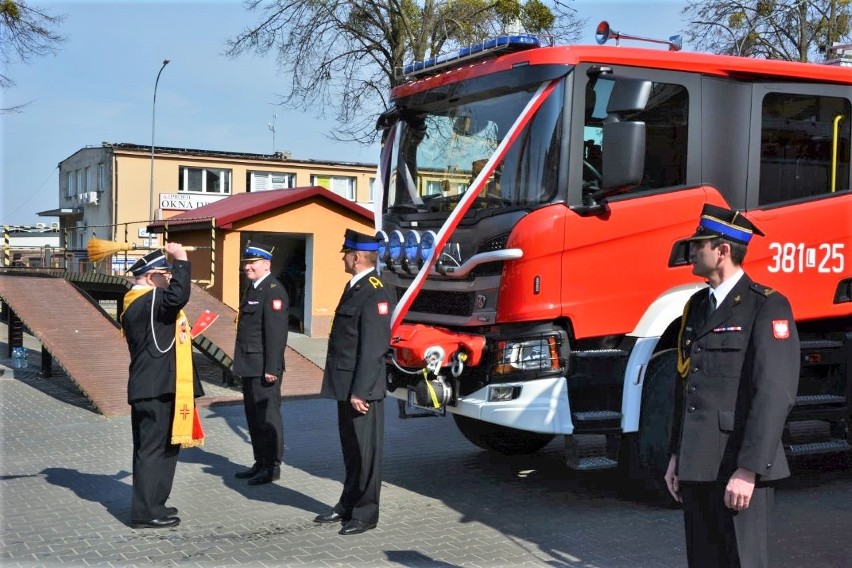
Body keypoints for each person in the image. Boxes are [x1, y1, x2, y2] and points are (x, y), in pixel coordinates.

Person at [665, 204, 800, 567]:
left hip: (737, 470)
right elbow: (687, 386)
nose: (692, 251)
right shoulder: (696, 307)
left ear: (722, 251)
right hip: (698, 467)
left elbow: (774, 393)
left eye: (699, 245)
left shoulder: (766, 307)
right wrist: (677, 456)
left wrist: (749, 470)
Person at [314, 229, 393, 536]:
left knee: (366, 454)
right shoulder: (355, 287)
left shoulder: (375, 291)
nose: (344, 258)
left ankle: (365, 513)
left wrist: (361, 390)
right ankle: (347, 503)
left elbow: (374, 347)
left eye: (346, 253)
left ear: (356, 257)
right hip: (346, 384)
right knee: (351, 450)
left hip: (362, 389)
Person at [121, 244, 205, 529]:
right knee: (151, 451)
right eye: (166, 275)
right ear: (150, 277)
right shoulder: (146, 299)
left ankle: (156, 503)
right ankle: (145, 513)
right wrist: (181, 258)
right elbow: (178, 296)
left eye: (171, 274)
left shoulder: (146, 300)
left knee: (165, 449)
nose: (170, 279)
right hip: (153, 389)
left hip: (160, 386)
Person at [232, 241, 289, 485]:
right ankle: (260, 461)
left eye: (252, 264)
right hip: (249, 365)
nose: (247, 268)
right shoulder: (253, 289)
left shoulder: (273, 290)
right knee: (254, 418)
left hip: (263, 368)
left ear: (266, 264)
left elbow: (276, 334)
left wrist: (271, 369)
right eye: (246, 264)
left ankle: (272, 466)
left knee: (268, 418)